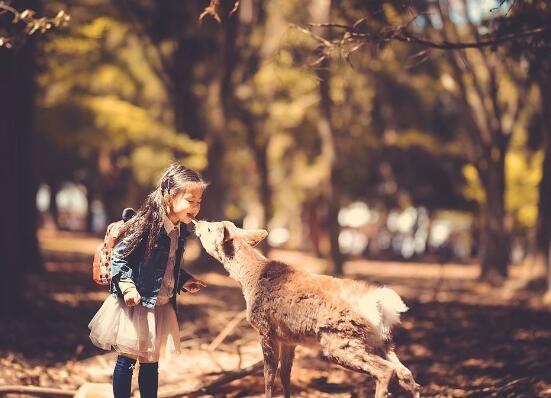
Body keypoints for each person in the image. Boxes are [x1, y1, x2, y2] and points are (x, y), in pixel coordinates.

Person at [88, 161, 208, 398]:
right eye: (190, 201)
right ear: (168, 197)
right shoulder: (146, 225)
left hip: (160, 304)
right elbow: (120, 259)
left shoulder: (179, 230)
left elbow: (167, 265)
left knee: (151, 361)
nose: (195, 208)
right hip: (137, 302)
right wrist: (127, 287)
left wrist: (183, 280)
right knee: (129, 358)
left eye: (199, 202)